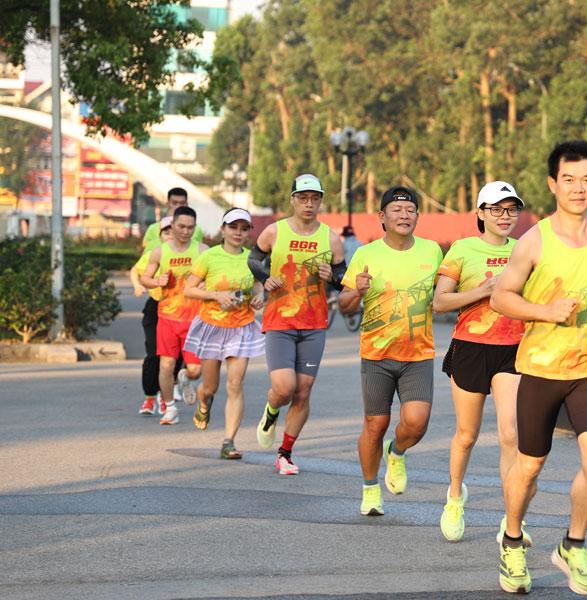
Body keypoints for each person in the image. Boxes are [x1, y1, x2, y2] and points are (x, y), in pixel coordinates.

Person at [490, 140, 587, 595]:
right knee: (528, 468)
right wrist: (544, 311)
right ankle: (512, 541)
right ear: (553, 184)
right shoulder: (534, 241)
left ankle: (574, 544)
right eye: (569, 179)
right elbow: (501, 297)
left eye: (586, 179)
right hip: (541, 370)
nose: (578, 188)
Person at [339, 186, 443, 516]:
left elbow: (445, 295)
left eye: (410, 209)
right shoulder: (366, 255)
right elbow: (343, 306)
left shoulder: (433, 252)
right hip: (377, 355)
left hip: (418, 353)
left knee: (416, 423)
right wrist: (356, 291)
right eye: (396, 210)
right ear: (382, 217)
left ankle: (395, 452)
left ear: (417, 216)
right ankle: (371, 489)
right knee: (375, 424)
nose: (404, 215)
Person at [433, 181, 527, 543]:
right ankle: (455, 495)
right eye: (497, 209)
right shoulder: (461, 249)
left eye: (512, 209)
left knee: (510, 433)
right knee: (467, 435)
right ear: (481, 213)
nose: (505, 216)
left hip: (512, 348)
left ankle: (511, 516)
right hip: (470, 347)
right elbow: (440, 302)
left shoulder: (525, 249)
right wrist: (483, 291)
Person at [248, 174, 346, 475]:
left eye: (314, 198)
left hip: (314, 323)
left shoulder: (330, 238)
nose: (308, 203)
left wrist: (334, 277)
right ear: (293, 199)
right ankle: (271, 410)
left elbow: (344, 279)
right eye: (303, 198)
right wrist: (265, 279)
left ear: (320, 201)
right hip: (279, 320)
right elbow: (253, 260)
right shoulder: (274, 232)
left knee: (303, 393)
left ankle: (285, 453)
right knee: (285, 387)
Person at [182, 208, 266, 459]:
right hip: (213, 327)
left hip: (241, 327)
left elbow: (259, 282)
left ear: (249, 232)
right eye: (233, 228)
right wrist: (216, 295)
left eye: (243, 228)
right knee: (211, 387)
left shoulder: (253, 258)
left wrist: (259, 295)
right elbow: (189, 290)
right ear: (223, 230)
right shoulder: (209, 257)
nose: (238, 233)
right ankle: (203, 399)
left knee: (236, 384)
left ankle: (229, 441)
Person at [140, 206, 210, 425]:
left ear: (195, 228)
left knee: (196, 370)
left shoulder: (202, 251)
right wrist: (156, 282)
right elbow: (145, 278)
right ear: (173, 226)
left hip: (195, 321)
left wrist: (208, 284)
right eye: (181, 226)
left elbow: (213, 277)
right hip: (168, 318)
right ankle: (170, 408)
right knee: (166, 365)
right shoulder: (160, 251)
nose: (185, 231)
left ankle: (186, 379)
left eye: (190, 227)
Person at [131, 217, 178, 416]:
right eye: (166, 233)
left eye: (172, 232)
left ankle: (166, 394)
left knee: (175, 358)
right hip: (155, 308)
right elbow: (136, 270)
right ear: (159, 236)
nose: (170, 236)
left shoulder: (192, 253)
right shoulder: (154, 253)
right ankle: (150, 397)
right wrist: (138, 285)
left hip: (178, 309)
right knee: (153, 353)